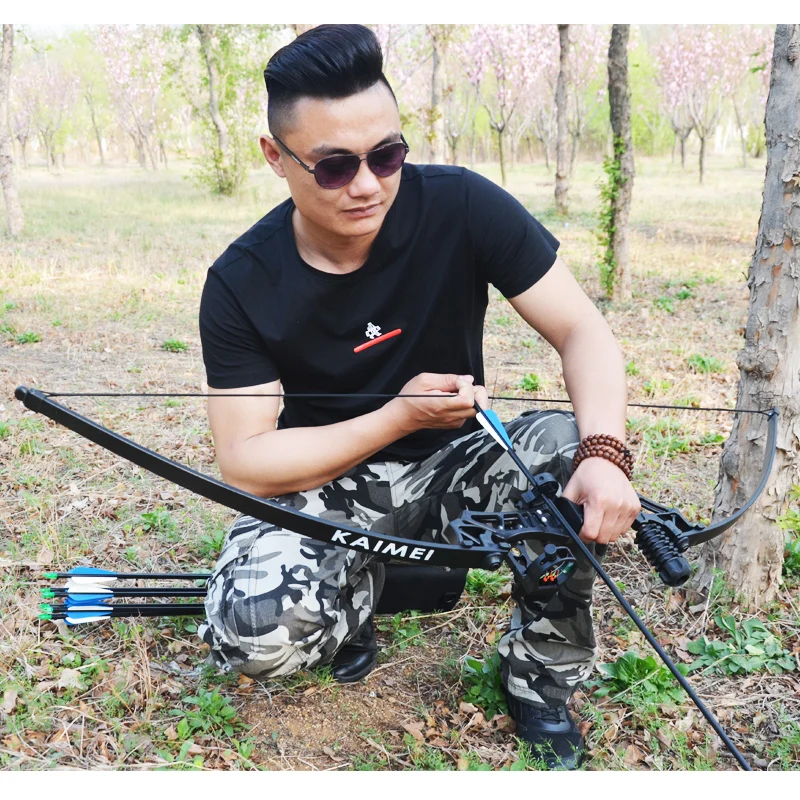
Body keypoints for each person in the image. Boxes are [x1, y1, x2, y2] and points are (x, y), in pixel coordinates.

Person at [197, 24, 640, 770]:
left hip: (459, 463)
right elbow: (246, 462)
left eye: (387, 155)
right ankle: (358, 598)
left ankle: (539, 676)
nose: (368, 184)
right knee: (253, 633)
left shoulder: (462, 204)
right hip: (325, 480)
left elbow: (582, 332)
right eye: (335, 166)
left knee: (569, 456)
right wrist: (396, 415)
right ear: (276, 156)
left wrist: (605, 453)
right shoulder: (242, 280)